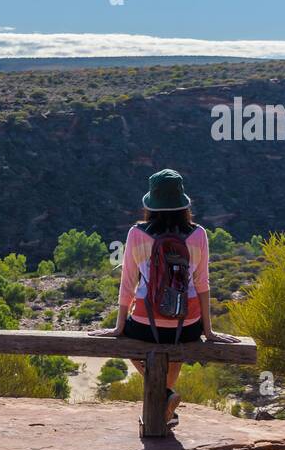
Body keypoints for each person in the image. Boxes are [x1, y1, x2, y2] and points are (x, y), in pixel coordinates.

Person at [91, 169, 239, 426]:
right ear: (183, 204)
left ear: (152, 205)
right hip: (188, 326)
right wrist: (209, 330)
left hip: (146, 325)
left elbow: (128, 282)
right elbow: (202, 284)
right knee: (175, 351)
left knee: (128, 341)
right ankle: (165, 407)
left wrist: (119, 327)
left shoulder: (137, 234)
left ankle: (165, 396)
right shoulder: (198, 234)